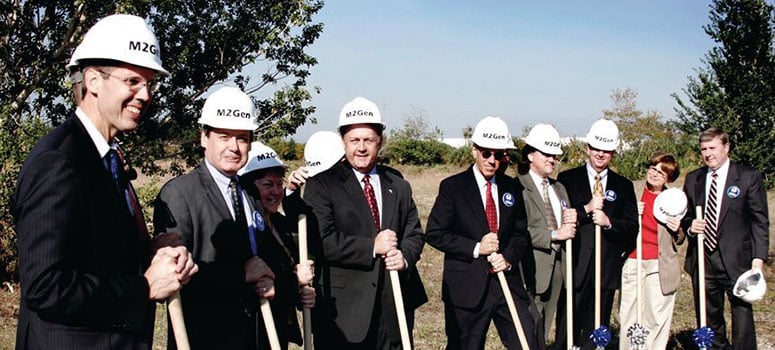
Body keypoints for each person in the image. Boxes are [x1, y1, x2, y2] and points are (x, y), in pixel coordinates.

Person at [13, 14, 198, 350]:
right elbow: (45, 286)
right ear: (94, 80)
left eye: (150, 83)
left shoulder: (107, 158)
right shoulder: (60, 162)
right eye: (132, 81)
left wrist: (152, 250)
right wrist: (143, 288)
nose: (145, 95)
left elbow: (99, 253)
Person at [153, 87, 276, 349]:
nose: (234, 147)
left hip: (254, 335)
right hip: (206, 337)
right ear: (204, 137)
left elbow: (262, 258)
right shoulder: (179, 194)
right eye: (223, 137)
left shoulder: (250, 192)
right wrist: (242, 276)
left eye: (242, 138)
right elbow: (176, 277)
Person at [304, 97, 427, 349]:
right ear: (343, 142)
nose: (361, 148)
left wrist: (404, 257)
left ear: (380, 141)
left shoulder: (398, 184)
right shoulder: (322, 185)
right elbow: (322, 241)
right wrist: (372, 247)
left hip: (393, 307)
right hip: (345, 311)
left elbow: (414, 233)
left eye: (368, 140)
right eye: (354, 140)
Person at [426, 116, 539, 350]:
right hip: (468, 286)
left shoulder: (512, 187)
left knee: (528, 341)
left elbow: (521, 233)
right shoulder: (453, 187)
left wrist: (507, 258)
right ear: (474, 150)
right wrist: (477, 247)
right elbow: (436, 233)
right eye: (486, 153)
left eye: (498, 155)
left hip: (506, 281)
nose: (492, 160)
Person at [681, 128, 769, 349]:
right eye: (703, 149)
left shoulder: (748, 177)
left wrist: (758, 258)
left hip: (738, 259)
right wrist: (691, 226)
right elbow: (685, 216)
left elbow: (759, 220)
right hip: (704, 259)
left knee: (741, 314)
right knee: (708, 313)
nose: (708, 154)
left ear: (726, 147)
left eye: (713, 148)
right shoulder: (694, 179)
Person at [555, 119, 638, 349]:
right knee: (566, 329)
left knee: (597, 334)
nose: (600, 154)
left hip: (605, 271)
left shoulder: (624, 186)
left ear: (613, 153)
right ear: (588, 148)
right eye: (597, 149)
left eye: (607, 150)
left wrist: (609, 221)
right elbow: (562, 217)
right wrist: (587, 210)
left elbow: (633, 227)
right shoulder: (567, 180)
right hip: (575, 267)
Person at [238, 141, 316, 349]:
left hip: (279, 328)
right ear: (248, 188)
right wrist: (295, 280)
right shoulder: (246, 232)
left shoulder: (279, 224)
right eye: (267, 185)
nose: (275, 191)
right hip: (254, 332)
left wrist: (301, 293)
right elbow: (260, 286)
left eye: (278, 183)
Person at [516, 124, 576, 344]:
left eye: (555, 155)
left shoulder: (558, 188)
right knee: (528, 331)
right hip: (532, 268)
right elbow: (519, 231)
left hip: (558, 269)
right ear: (530, 154)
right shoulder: (518, 187)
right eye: (547, 154)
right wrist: (553, 235)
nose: (552, 159)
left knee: (544, 330)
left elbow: (565, 224)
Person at [618, 153, 685, 349]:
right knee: (629, 315)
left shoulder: (674, 199)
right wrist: (630, 211)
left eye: (661, 173)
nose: (654, 174)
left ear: (669, 179)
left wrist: (677, 229)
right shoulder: (633, 190)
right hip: (633, 260)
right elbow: (619, 222)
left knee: (656, 316)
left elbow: (681, 238)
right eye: (653, 168)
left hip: (659, 265)